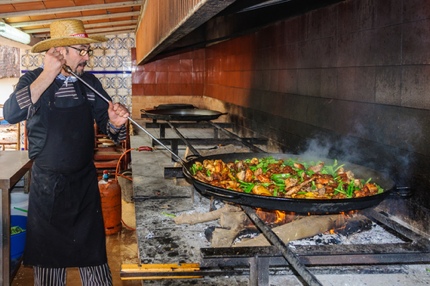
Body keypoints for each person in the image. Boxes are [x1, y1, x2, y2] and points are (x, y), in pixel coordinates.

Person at [3, 19, 130, 285]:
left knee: (96, 265)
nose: (86, 57)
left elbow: (111, 131)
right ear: (60, 52)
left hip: (84, 187)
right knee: (49, 269)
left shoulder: (90, 83)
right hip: (47, 190)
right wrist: (48, 74)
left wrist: (117, 124)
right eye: (80, 51)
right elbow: (11, 113)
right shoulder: (32, 80)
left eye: (87, 51)